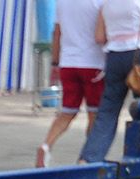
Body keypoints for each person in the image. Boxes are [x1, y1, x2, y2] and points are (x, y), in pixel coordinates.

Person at [76, 0, 140, 163]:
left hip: (115, 56)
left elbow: (99, 37)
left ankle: (89, 157)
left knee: (107, 109)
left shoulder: (106, 4)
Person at [37, 0, 106, 166]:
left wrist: (55, 63)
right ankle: (89, 155)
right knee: (94, 114)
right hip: (93, 63)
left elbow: (57, 33)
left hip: (68, 63)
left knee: (67, 112)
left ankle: (46, 145)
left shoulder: (62, 2)